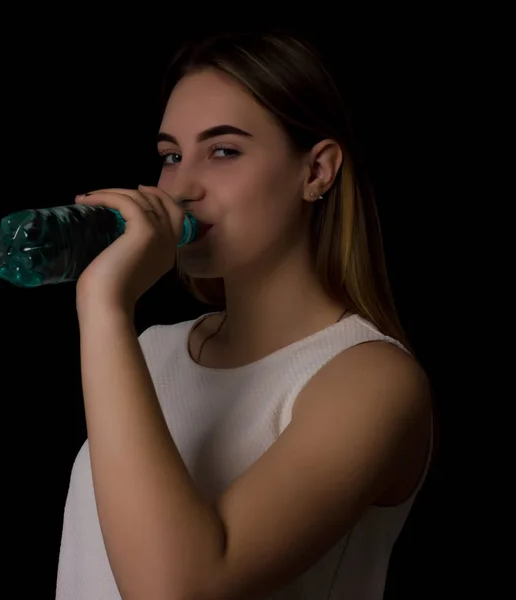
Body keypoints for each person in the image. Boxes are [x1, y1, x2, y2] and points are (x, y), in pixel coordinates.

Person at [56, 30, 434, 600]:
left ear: (317, 172)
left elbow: (176, 588)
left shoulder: (373, 381)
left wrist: (103, 306)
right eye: (171, 156)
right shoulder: (151, 349)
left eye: (224, 151)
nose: (180, 188)